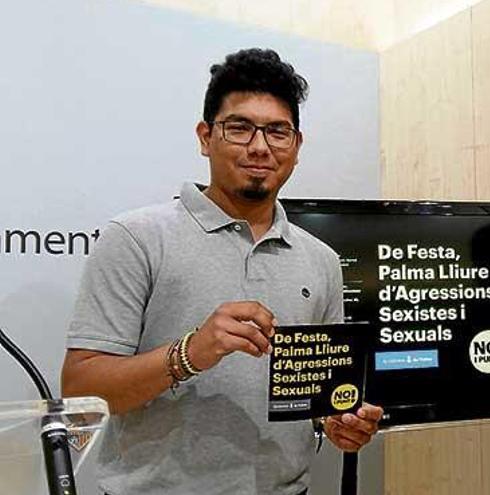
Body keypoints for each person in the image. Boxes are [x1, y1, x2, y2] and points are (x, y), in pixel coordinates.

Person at [62, 48, 382, 495]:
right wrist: (192, 352)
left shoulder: (321, 260)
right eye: (240, 128)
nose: (259, 146)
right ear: (205, 136)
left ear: (296, 146)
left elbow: (320, 394)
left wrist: (337, 420)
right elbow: (82, 393)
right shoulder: (135, 237)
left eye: (277, 132)